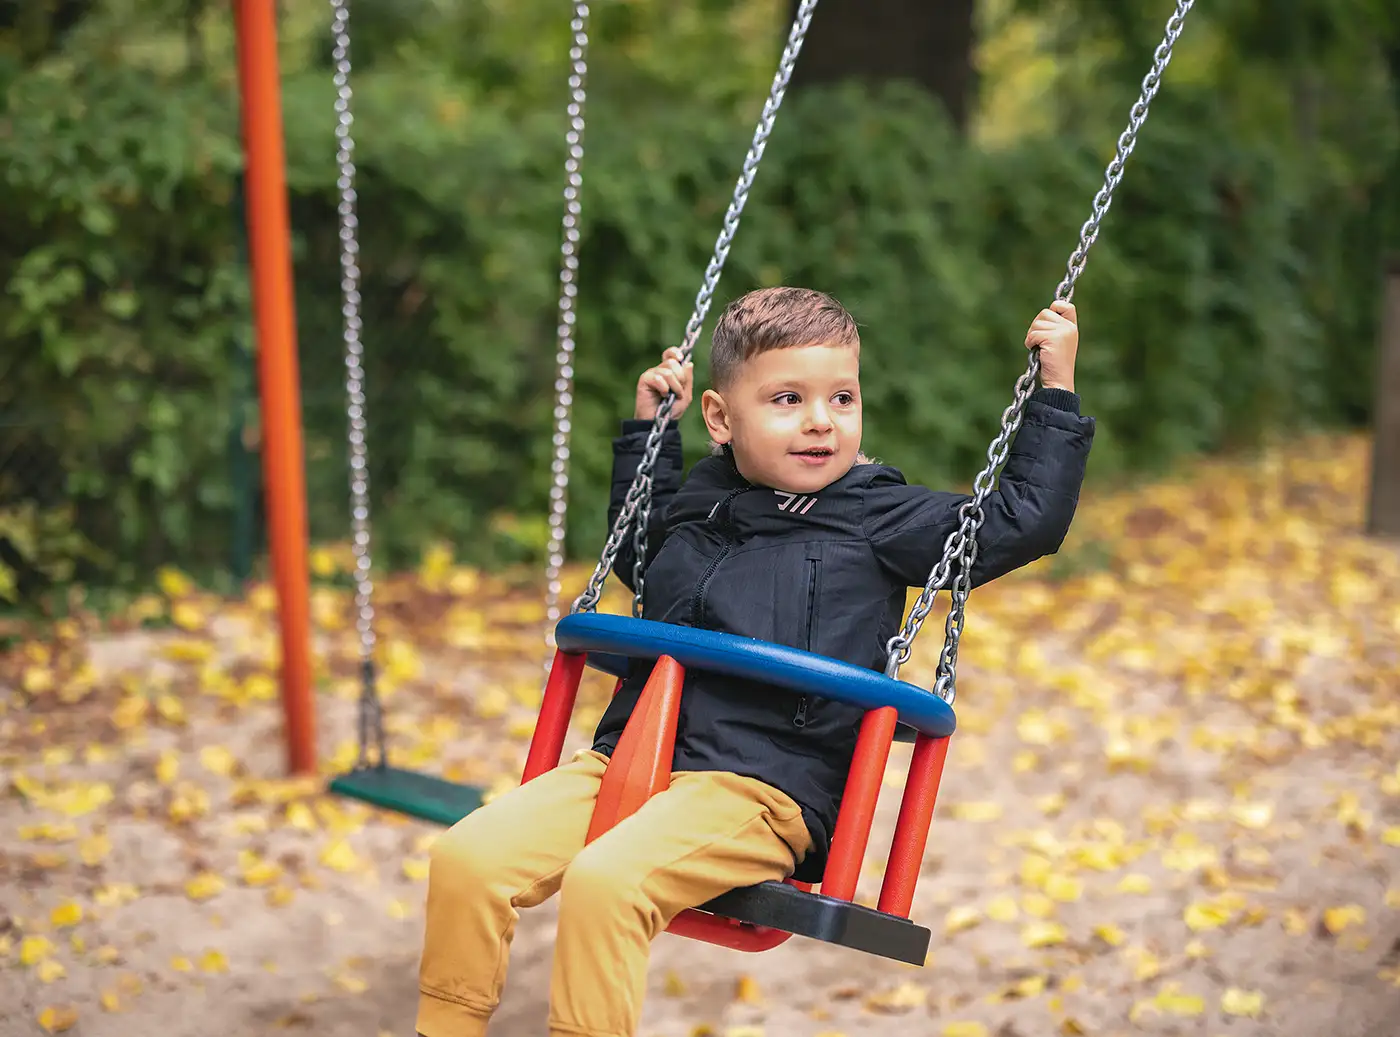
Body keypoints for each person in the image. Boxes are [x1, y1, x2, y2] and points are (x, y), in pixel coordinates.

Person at [417, 287, 1094, 1037]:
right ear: (720, 417)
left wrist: (1055, 391)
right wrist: (649, 437)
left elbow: (1022, 520)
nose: (820, 420)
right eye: (787, 399)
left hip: (763, 789)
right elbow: (641, 559)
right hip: (633, 760)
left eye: (842, 397)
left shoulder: (879, 516)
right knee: (467, 859)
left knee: (606, 884)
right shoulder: (702, 501)